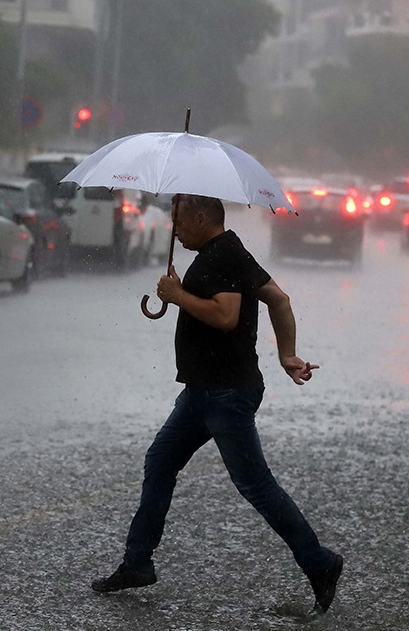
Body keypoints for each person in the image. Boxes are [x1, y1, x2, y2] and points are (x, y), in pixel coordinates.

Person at [91, 194, 344, 614]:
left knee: (256, 486)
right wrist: (286, 355)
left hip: (225, 394)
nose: (175, 229)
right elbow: (279, 300)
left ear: (202, 216)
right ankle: (137, 563)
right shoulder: (228, 250)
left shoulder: (220, 255)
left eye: (179, 220)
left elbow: (226, 317)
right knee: (160, 462)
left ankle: (320, 562)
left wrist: (177, 294)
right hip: (202, 392)